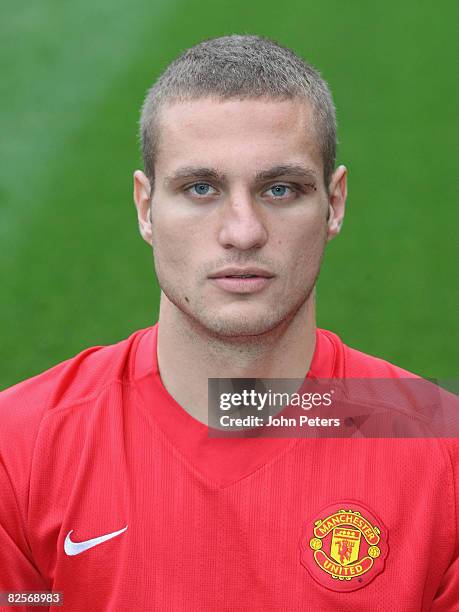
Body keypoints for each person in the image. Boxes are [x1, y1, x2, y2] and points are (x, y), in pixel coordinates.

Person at [0, 35, 457, 611]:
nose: (243, 232)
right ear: (145, 208)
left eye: (280, 189)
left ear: (334, 204)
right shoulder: (19, 451)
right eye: (201, 188)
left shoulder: (445, 453)